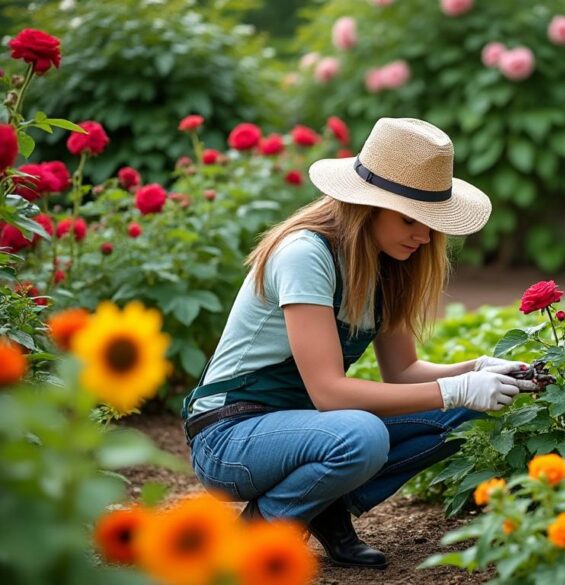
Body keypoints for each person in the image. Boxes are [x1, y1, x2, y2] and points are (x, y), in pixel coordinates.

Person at [180, 117, 537, 569]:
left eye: (429, 222)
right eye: (410, 219)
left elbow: (404, 374)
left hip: (303, 429)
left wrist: (476, 371)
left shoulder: (389, 265)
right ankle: (260, 530)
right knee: (361, 436)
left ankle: (323, 508)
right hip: (229, 437)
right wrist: (456, 389)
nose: (424, 236)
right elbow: (329, 393)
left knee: (467, 412)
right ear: (368, 206)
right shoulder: (307, 253)